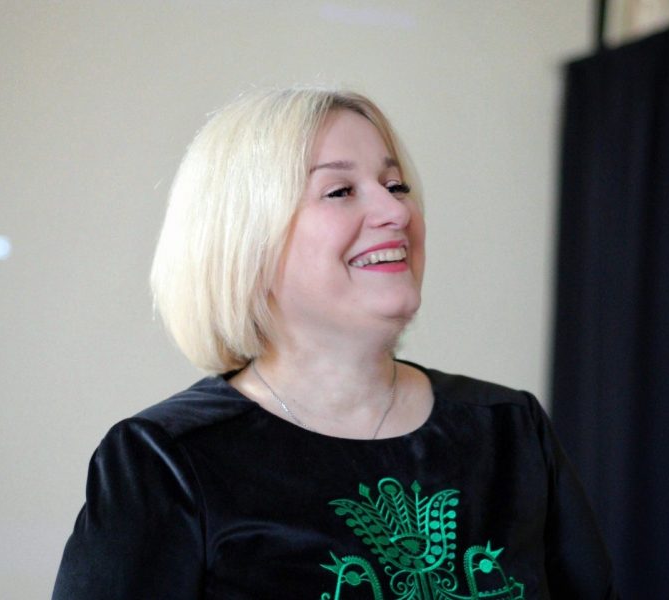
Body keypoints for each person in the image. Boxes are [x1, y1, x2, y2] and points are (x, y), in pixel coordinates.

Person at [52, 87, 617, 599]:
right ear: (248, 240)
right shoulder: (165, 459)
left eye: (395, 186)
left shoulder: (509, 429)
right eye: (340, 190)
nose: (396, 212)